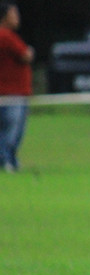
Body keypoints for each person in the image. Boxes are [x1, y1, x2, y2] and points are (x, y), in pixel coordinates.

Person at [0, 2, 33, 173]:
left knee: (13, 130)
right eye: (14, 14)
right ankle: (5, 160)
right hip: (10, 93)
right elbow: (25, 55)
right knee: (10, 129)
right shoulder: (5, 36)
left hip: (15, 92)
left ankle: (10, 159)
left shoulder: (10, 36)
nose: (17, 18)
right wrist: (29, 52)